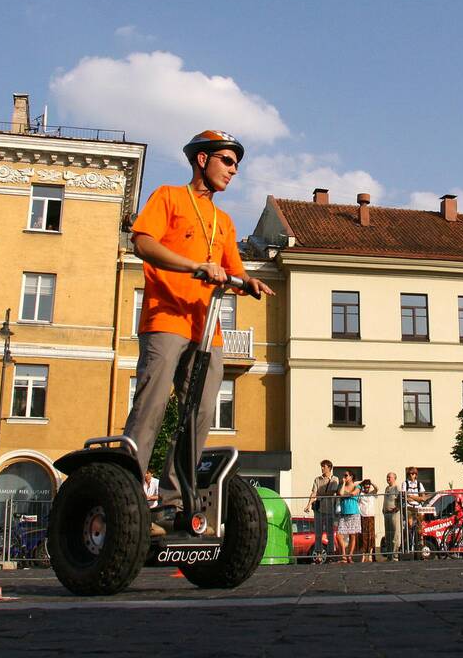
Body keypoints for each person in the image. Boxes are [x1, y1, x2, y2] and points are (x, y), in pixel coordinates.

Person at [122, 130, 274, 518]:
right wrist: (194, 267)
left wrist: (249, 282)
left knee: (203, 411)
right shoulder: (169, 197)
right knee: (152, 404)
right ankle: (128, 493)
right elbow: (142, 243)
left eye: (237, 165)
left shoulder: (223, 221)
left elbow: (232, 271)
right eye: (227, 161)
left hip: (207, 329)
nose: (234, 170)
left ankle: (173, 501)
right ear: (202, 160)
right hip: (166, 317)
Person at [303, 459, 339, 561]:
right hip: (318, 509)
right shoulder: (317, 479)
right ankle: (318, 555)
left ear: (329, 468)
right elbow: (313, 492)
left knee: (330, 533)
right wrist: (308, 504)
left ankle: (331, 555)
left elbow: (332, 492)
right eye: (322, 466)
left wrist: (319, 495)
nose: (322, 468)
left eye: (324, 466)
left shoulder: (334, 479)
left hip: (329, 509)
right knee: (318, 533)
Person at [336, 470, 362, 563]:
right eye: (344, 475)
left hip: (353, 512)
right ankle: (343, 555)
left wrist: (345, 494)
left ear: (351, 477)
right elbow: (340, 493)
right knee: (339, 534)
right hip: (343, 513)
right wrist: (343, 484)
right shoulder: (342, 486)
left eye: (346, 475)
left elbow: (354, 493)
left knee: (352, 535)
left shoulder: (357, 486)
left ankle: (350, 556)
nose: (344, 477)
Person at [401, 467, 427, 552]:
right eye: (410, 474)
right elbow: (405, 496)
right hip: (409, 506)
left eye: (414, 474)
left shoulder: (419, 484)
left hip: (418, 507)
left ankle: (420, 543)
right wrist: (417, 498)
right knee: (409, 523)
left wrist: (411, 496)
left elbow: (423, 498)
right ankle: (406, 542)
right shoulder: (405, 483)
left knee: (420, 527)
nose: (412, 475)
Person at [382, 472, 403, 561]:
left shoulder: (397, 488)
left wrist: (396, 508)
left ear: (394, 478)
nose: (388, 479)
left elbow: (401, 499)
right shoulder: (387, 488)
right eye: (387, 477)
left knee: (395, 535)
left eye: (389, 477)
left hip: (394, 514)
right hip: (386, 514)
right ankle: (389, 555)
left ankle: (395, 555)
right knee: (388, 535)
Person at [358, 479, 378, 562]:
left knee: (371, 535)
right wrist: (361, 482)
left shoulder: (371, 493)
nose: (367, 489)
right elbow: (355, 486)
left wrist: (371, 482)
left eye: (368, 487)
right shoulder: (360, 494)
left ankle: (370, 554)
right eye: (365, 487)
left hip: (371, 516)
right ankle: (363, 555)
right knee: (363, 535)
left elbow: (377, 488)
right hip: (363, 516)